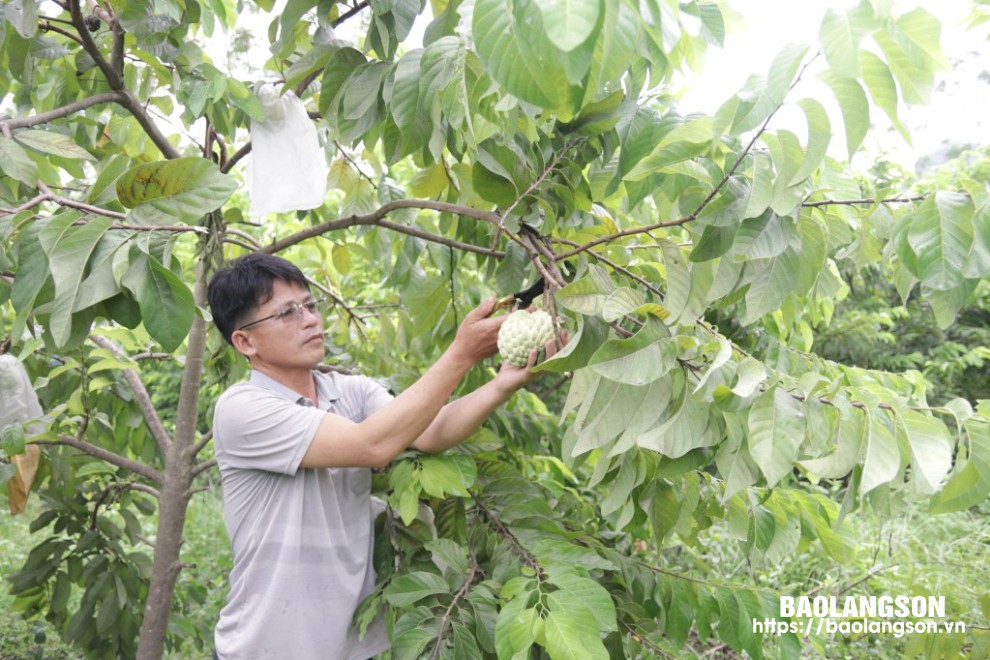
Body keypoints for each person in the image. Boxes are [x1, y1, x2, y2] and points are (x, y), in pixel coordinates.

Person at [206, 253, 558, 660]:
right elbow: (371, 444)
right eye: (287, 313)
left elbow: (428, 430)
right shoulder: (242, 409)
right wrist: (461, 354)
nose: (309, 319)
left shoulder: (348, 391)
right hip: (266, 647)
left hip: (347, 646)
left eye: (310, 305)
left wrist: (503, 384)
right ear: (245, 341)